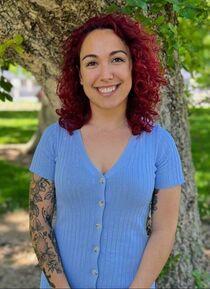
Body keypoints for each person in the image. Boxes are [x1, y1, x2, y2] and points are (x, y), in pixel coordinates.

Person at [29, 12, 185, 289]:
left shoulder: (160, 144)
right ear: (78, 75)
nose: (105, 74)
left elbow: (163, 231)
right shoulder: (54, 140)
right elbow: (39, 224)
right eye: (92, 63)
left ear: (133, 66)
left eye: (117, 59)